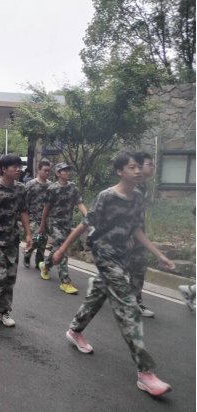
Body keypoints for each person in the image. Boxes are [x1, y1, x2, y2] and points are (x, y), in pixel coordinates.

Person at [55, 152, 175, 397]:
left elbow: (136, 229)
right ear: (120, 171)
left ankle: (74, 330)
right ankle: (145, 372)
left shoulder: (138, 196)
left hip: (123, 256)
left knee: (98, 295)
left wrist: (159, 254)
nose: (137, 171)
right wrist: (62, 249)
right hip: (105, 255)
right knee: (128, 307)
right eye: (132, 167)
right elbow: (85, 224)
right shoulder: (107, 196)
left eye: (139, 167)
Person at [0, 155, 33, 327]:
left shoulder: (21, 189)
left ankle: (2, 312)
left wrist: (28, 234)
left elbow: (23, 211)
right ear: (3, 169)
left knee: (10, 279)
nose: (18, 169)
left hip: (12, 240)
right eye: (14, 166)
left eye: (19, 166)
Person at [38, 163, 88, 295]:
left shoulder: (73, 187)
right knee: (62, 250)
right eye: (64, 170)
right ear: (58, 174)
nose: (68, 172)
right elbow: (46, 208)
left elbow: (79, 203)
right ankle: (65, 282)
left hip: (66, 224)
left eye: (69, 170)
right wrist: (42, 225)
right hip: (54, 223)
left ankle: (45, 265)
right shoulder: (52, 189)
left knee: (58, 249)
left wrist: (89, 216)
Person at [126, 152, 155, 318]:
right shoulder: (131, 187)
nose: (152, 167)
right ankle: (100, 287)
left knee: (139, 267)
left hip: (138, 236)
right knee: (116, 270)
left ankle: (135, 301)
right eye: (149, 164)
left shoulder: (143, 187)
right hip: (124, 237)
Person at [23, 160, 52, 269]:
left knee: (43, 240)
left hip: (46, 218)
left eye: (49, 171)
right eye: (45, 170)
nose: (47, 173)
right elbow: (25, 203)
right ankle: (27, 254)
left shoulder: (51, 185)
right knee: (35, 239)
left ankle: (39, 262)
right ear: (39, 170)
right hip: (33, 217)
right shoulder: (31, 184)